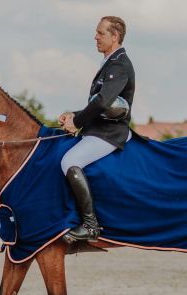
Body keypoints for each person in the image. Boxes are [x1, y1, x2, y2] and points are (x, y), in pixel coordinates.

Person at [57, 16, 135, 242]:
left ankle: (91, 226)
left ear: (115, 36)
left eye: (101, 33)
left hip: (109, 133)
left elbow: (102, 101)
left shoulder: (119, 64)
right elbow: (98, 104)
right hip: (99, 128)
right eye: (97, 33)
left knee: (69, 161)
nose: (96, 37)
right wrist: (74, 114)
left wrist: (77, 122)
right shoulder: (110, 61)